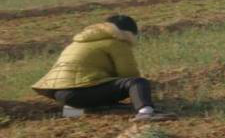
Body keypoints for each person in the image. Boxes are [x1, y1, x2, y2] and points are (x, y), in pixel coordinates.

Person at [32, 15, 170, 120]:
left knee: (102, 90)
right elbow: (128, 74)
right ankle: (145, 113)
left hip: (60, 94)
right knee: (137, 83)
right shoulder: (117, 42)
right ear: (129, 33)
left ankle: (74, 111)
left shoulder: (79, 42)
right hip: (81, 91)